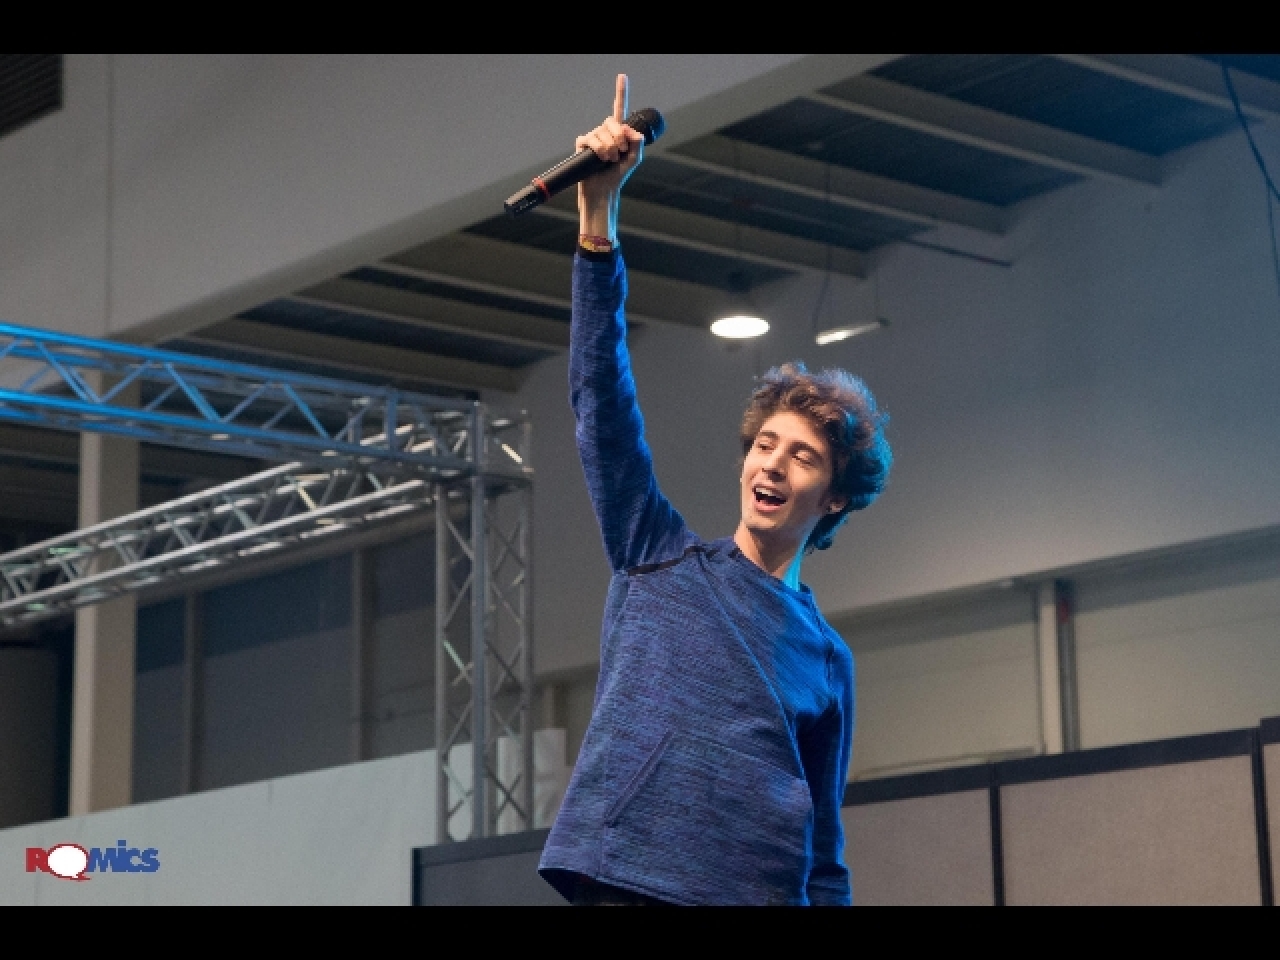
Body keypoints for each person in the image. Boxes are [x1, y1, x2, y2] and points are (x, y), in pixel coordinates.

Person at [538, 75, 892, 907]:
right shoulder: (655, 555)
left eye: (801, 457)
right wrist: (597, 222)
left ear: (834, 498)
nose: (772, 465)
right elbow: (600, 401)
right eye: (764, 445)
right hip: (626, 878)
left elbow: (824, 853)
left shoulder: (827, 659)